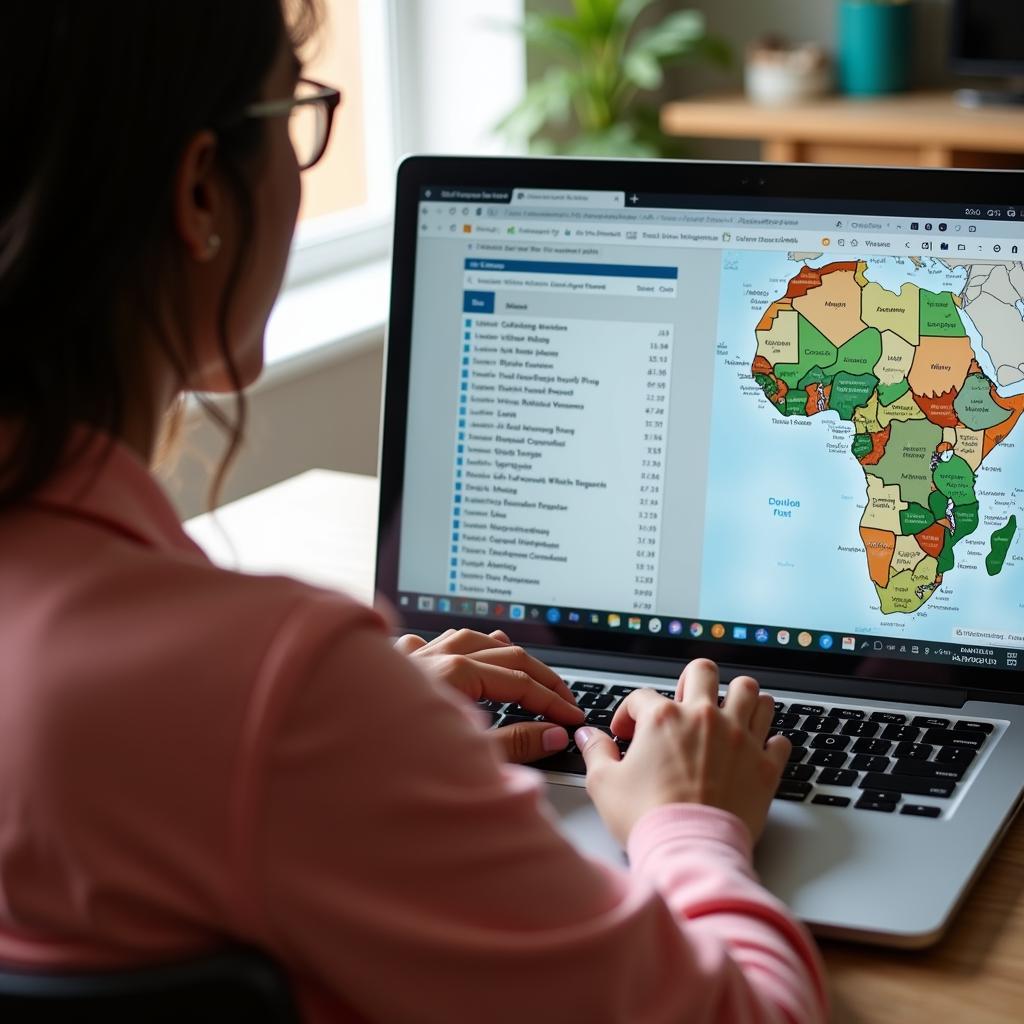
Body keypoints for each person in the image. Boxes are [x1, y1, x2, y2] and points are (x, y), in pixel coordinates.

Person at [0, 3, 828, 1021]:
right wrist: (691, 823)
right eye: (296, 111)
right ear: (202, 187)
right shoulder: (278, 686)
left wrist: (370, 757)